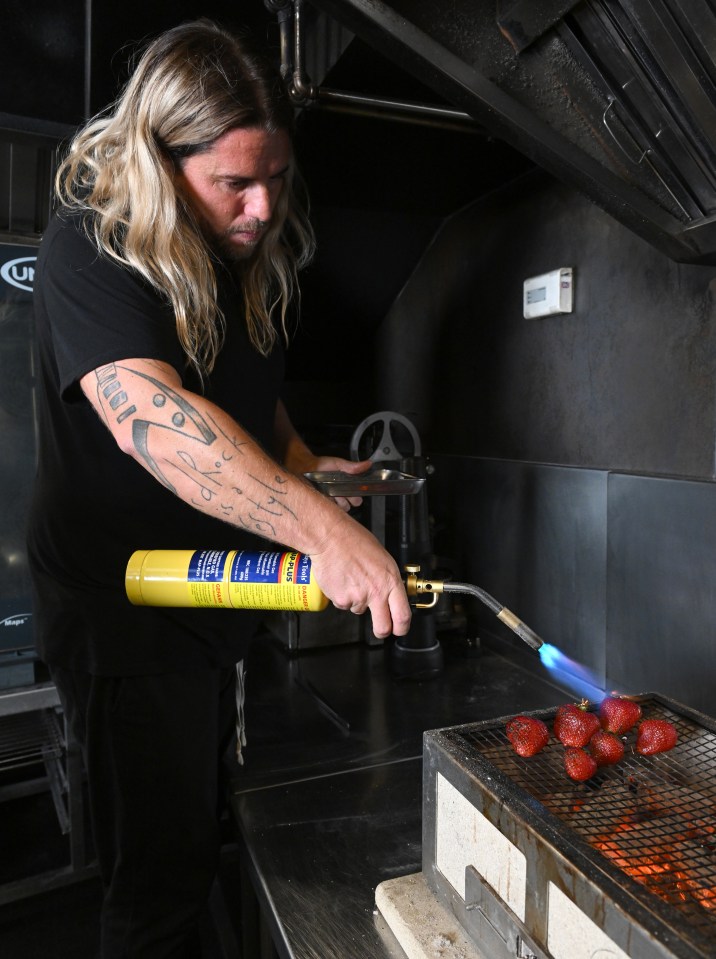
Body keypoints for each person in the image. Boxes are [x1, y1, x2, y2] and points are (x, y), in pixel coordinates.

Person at [28, 18, 411, 959]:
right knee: (154, 887)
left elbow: (247, 403)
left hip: (207, 599)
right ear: (162, 163)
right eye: (233, 182)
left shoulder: (242, 259)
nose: (262, 205)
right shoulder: (95, 246)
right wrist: (321, 530)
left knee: (193, 845)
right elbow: (157, 421)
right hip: (128, 613)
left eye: (275, 178)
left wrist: (308, 468)